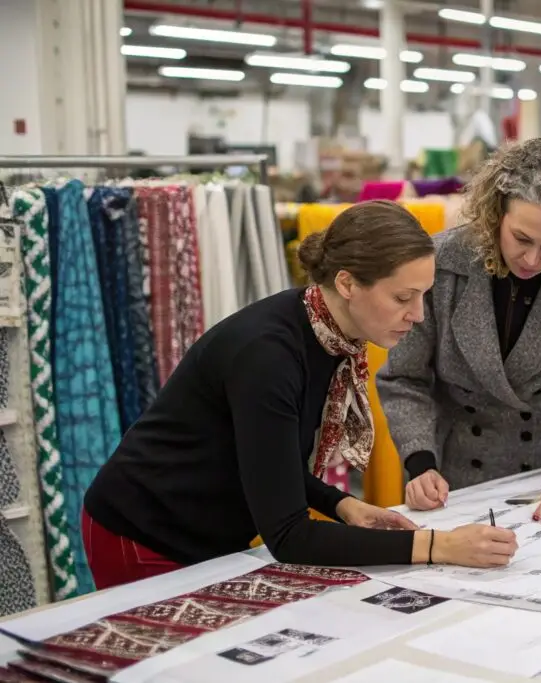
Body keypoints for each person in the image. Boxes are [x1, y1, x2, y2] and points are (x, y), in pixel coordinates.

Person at [82, 200, 517, 590]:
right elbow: (289, 536)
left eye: (424, 296)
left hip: (205, 525)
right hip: (145, 531)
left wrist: (342, 503)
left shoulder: (326, 335)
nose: (417, 314)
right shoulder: (270, 355)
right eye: (403, 297)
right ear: (347, 283)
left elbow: (271, 462)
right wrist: (438, 546)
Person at [376, 137, 541, 525]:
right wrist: (420, 462)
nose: (533, 259)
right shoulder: (441, 265)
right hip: (450, 478)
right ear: (496, 213)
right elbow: (404, 379)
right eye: (521, 238)